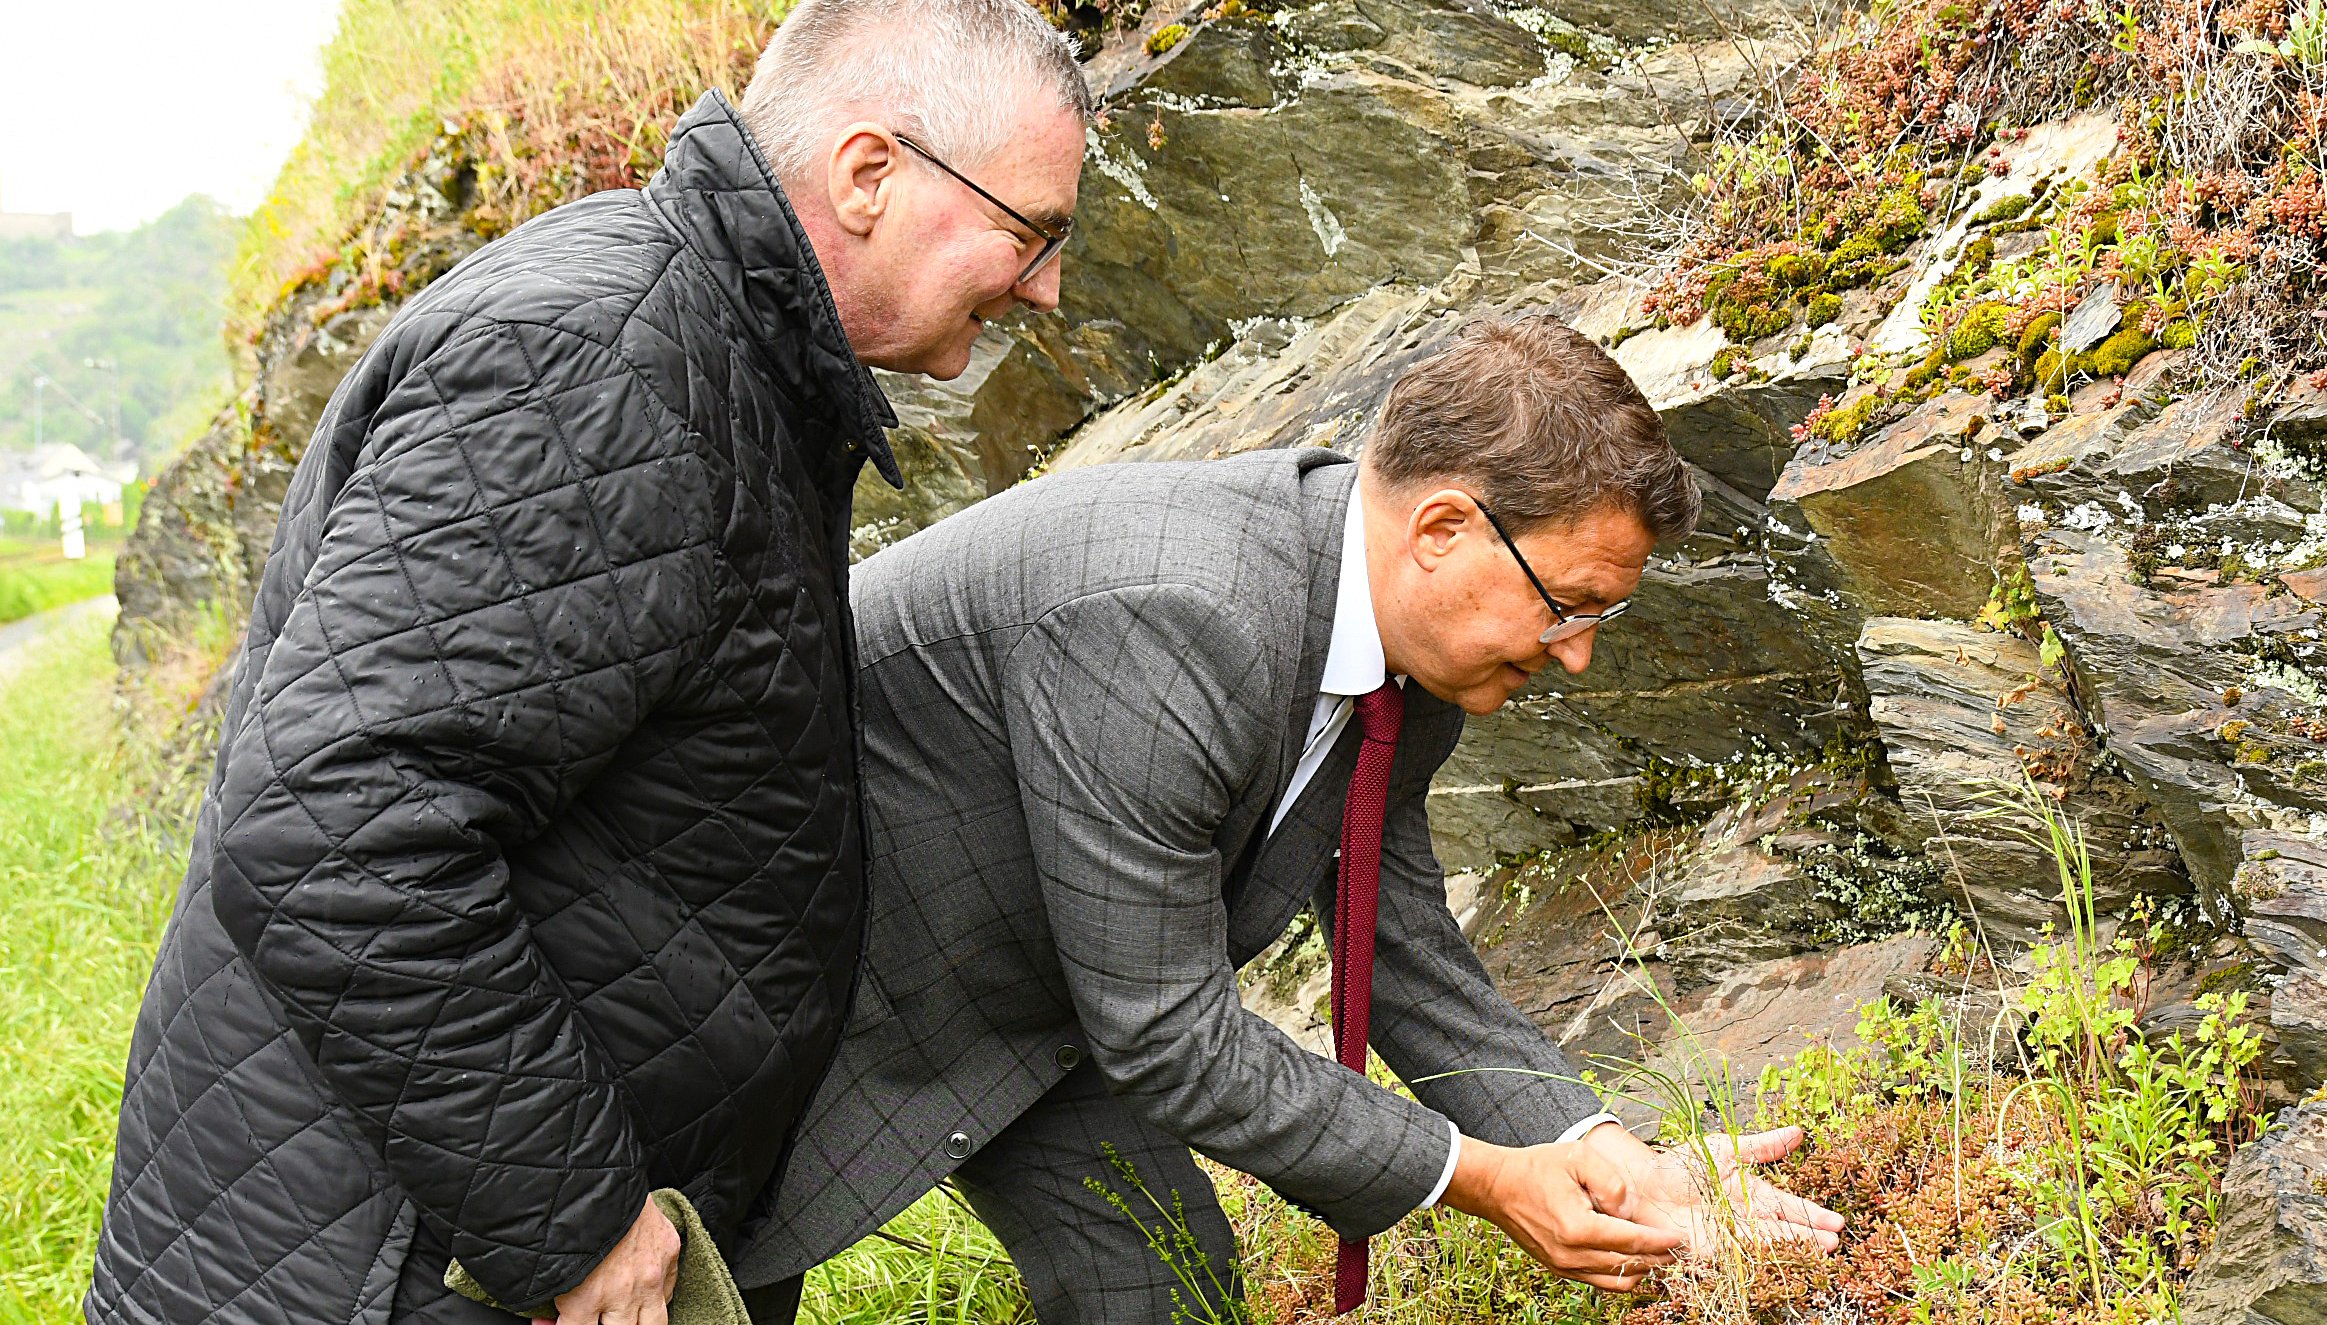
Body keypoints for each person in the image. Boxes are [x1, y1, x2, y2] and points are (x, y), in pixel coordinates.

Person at [85, 3, 1088, 1322]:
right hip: (379, 1266)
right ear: (866, 175)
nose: (1047, 286)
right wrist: (571, 1217)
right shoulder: (600, 367)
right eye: (1033, 232)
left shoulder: (717, 356)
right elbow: (338, 828)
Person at [738, 317, 1849, 1320]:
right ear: (1445, 527)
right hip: (761, 982)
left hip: (1032, 974)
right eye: (1568, 603)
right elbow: (1171, 1034)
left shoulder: (1398, 669)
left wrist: (1594, 1147)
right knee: (697, 1288)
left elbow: (1402, 948)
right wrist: (1482, 1177)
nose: (1578, 652)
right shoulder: (1181, 619)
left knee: (1166, 1288)